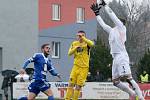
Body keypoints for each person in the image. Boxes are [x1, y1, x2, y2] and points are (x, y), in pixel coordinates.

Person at [90, 0, 144, 100]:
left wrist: (105, 5)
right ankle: (132, 93)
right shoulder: (112, 31)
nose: (116, 22)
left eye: (118, 21)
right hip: (115, 58)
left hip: (122, 56)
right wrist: (97, 13)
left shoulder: (122, 28)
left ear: (122, 24)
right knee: (115, 82)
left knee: (128, 78)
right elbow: (103, 24)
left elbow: (112, 16)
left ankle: (141, 97)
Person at [65, 30, 94, 100]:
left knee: (78, 86)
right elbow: (69, 53)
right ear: (77, 36)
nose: (80, 37)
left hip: (84, 68)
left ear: (84, 36)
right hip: (75, 67)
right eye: (79, 36)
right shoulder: (74, 43)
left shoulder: (87, 43)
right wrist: (76, 48)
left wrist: (83, 38)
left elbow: (92, 44)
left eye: (82, 35)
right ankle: (67, 99)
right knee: (71, 84)